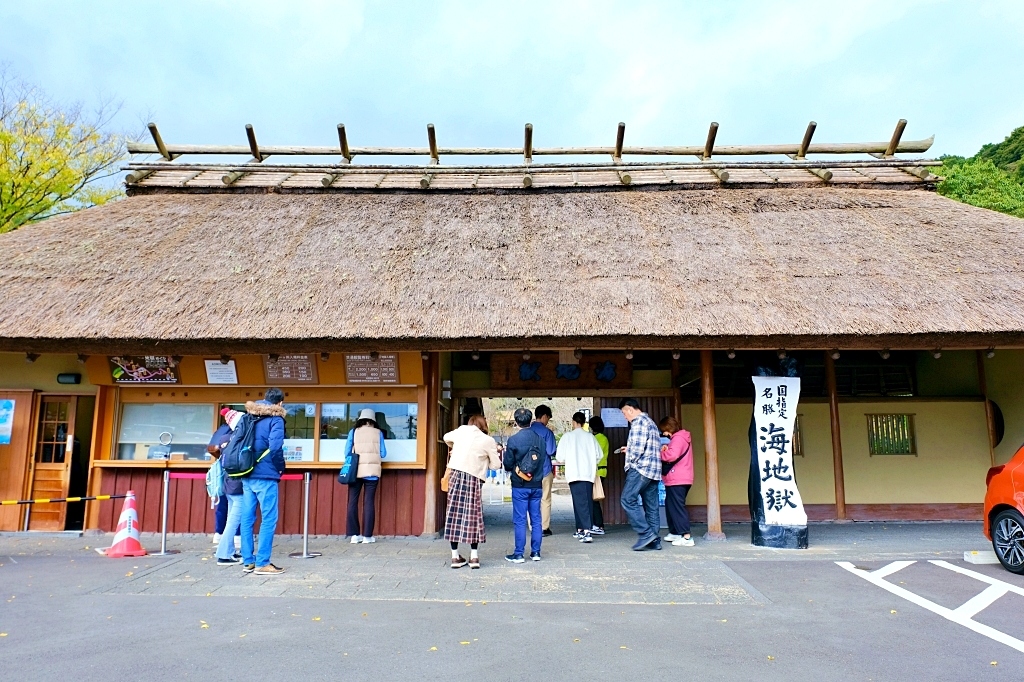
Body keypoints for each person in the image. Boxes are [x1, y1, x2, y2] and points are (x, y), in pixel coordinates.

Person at [443, 414, 501, 569]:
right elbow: (496, 465)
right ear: (483, 425)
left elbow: (446, 437)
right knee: (473, 516)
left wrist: (455, 447)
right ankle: (474, 556)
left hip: (455, 475)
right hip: (473, 479)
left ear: (470, 423)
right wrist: (486, 459)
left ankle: (455, 556)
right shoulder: (488, 440)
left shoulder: (461, 431)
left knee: (453, 514)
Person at [240, 388, 287, 576]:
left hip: (246, 471)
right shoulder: (276, 419)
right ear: (280, 403)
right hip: (266, 475)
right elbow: (275, 447)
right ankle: (262, 563)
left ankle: (248, 561)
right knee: (268, 518)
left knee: (247, 518)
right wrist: (280, 467)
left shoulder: (248, 416)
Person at [618, 398, 663, 551]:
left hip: (641, 469)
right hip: (653, 471)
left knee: (627, 499)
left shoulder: (638, 422)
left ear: (630, 409)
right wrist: (629, 448)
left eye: (624, 413)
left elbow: (637, 451)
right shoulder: (650, 422)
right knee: (651, 506)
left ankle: (645, 534)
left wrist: (629, 455)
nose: (625, 417)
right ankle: (655, 540)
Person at [503, 407, 546, 562]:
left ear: (516, 422)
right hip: (537, 484)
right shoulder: (540, 440)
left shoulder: (514, 440)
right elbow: (542, 461)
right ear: (531, 420)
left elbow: (507, 464)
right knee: (536, 519)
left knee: (520, 519)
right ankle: (536, 552)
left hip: (519, 485)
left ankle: (519, 553)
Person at [555, 412, 602, 543]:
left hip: (573, 473)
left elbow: (559, 457)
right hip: (587, 473)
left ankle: (586, 530)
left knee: (578, 501)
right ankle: (581, 528)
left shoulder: (567, 436)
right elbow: (599, 455)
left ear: (573, 422)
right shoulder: (590, 437)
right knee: (586, 501)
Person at [344, 408, 387, 544]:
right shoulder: (378, 433)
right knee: (369, 502)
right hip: (372, 472)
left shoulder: (354, 432)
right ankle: (367, 536)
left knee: (353, 501)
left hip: (355, 471)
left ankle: (354, 535)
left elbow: (346, 452)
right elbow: (383, 453)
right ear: (373, 420)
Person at [208, 408, 244, 565]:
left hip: (228, 483)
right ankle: (223, 554)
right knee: (234, 520)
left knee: (231, 517)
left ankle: (229, 551)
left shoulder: (224, 437)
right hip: (238, 484)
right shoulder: (239, 440)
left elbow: (213, 449)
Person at [659, 416, 695, 547]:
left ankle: (686, 537)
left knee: (677, 507)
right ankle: (675, 532)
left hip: (678, 478)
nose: (663, 433)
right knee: (671, 506)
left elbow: (672, 456)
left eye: (664, 430)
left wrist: (659, 454)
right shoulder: (681, 438)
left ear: (669, 428)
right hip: (679, 478)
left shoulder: (678, 438)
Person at [529, 404, 557, 536]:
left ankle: (532, 526)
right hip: (544, 470)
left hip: (528, 472)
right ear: (545, 416)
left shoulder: (526, 431)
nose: (547, 421)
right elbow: (551, 451)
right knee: (545, 499)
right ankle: (544, 527)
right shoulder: (547, 432)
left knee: (532, 498)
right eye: (548, 418)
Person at [588, 415, 609, 535]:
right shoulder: (601, 437)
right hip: (599, 471)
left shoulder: (599, 438)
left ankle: (598, 525)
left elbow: (594, 454)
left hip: (597, 472)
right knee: (593, 499)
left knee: (594, 499)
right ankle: (596, 524)